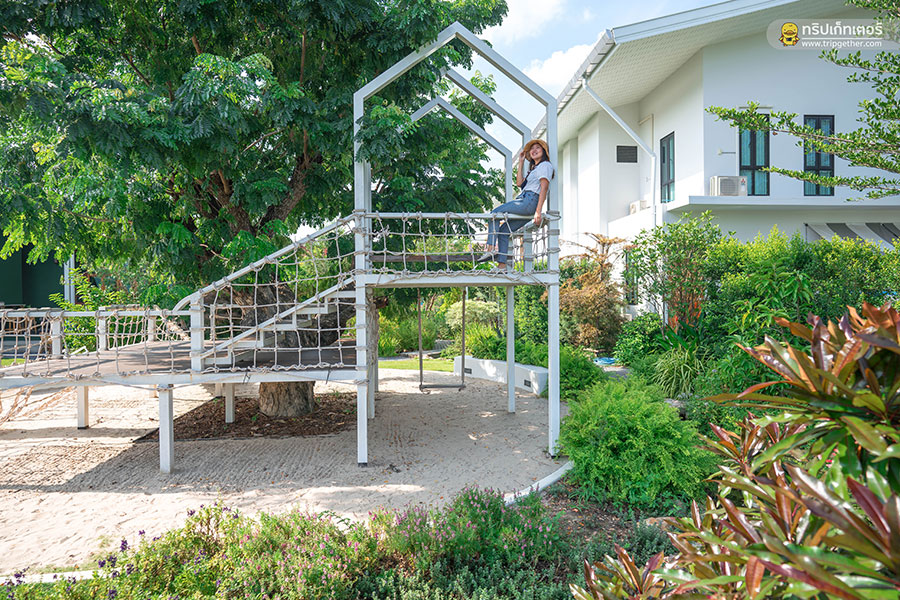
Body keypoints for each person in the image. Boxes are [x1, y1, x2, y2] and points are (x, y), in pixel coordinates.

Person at [479, 138, 554, 269]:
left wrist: (538, 211)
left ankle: (490, 249)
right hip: (525, 200)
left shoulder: (545, 165)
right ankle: (502, 266)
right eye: (532, 149)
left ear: (544, 151)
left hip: (529, 201)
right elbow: (519, 183)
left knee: (494, 214)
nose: (534, 150)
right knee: (504, 230)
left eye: (538, 147)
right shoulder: (535, 169)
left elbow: (544, 187)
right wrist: (521, 161)